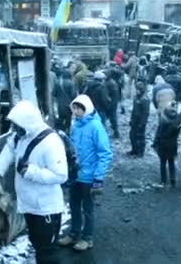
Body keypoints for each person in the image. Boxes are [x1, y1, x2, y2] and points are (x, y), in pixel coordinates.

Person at [0, 100, 68, 264]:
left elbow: (61, 175)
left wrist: (31, 172)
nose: (14, 129)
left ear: (28, 123)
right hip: (29, 204)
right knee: (37, 244)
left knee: (47, 252)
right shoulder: (20, 136)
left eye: (17, 125)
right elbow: (9, 150)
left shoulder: (51, 142)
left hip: (46, 208)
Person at [59, 95, 112, 252]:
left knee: (87, 208)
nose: (75, 111)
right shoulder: (75, 125)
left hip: (89, 177)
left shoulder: (96, 126)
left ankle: (87, 238)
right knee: (74, 205)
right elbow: (72, 149)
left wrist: (98, 178)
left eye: (78, 108)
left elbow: (105, 153)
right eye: (73, 108)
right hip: (75, 174)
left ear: (86, 108)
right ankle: (74, 233)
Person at [153, 101, 179, 186]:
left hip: (163, 144)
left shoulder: (163, 120)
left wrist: (155, 142)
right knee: (171, 162)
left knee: (163, 162)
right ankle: (173, 179)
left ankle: (163, 180)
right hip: (173, 144)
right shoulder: (177, 120)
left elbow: (159, 133)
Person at [128, 81, 151, 158]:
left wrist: (143, 123)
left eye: (139, 89)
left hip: (140, 121)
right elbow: (134, 110)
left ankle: (140, 152)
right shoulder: (136, 97)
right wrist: (131, 120)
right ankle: (134, 150)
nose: (137, 90)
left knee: (140, 138)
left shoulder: (145, 99)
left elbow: (146, 113)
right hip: (134, 120)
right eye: (136, 89)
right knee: (132, 135)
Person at [105, 69, 122, 138]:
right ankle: (115, 132)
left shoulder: (109, 83)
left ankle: (116, 132)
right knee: (113, 117)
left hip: (111, 103)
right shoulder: (113, 82)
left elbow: (107, 94)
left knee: (112, 118)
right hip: (114, 102)